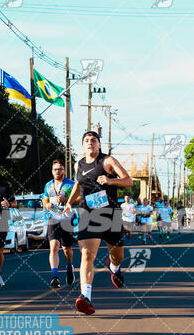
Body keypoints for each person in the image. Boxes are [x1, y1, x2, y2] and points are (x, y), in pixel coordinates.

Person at [64, 131, 132, 315]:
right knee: (86, 256)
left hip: (109, 214)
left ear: (99, 144)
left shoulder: (107, 161)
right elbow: (78, 184)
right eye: (86, 140)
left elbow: (128, 181)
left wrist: (110, 180)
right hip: (88, 214)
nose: (90, 143)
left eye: (93, 140)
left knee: (117, 255)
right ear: (83, 145)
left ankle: (114, 268)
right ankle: (85, 297)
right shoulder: (78, 164)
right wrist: (70, 202)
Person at [43, 159, 76, 289]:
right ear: (52, 171)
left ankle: (69, 266)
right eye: (55, 169)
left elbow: (79, 199)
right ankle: (55, 277)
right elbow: (45, 200)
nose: (57, 171)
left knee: (67, 249)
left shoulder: (71, 184)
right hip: (53, 218)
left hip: (66, 218)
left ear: (64, 170)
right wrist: (47, 205)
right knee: (54, 247)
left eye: (60, 169)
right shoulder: (48, 185)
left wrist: (66, 199)